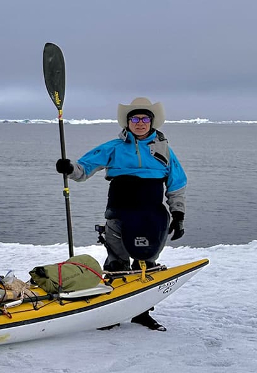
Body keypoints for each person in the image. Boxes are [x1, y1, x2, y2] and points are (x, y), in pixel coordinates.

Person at [55, 96, 187, 331]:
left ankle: (142, 313)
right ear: (127, 122)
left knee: (146, 262)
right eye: (134, 118)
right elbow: (84, 168)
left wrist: (178, 215)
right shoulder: (113, 147)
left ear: (152, 121)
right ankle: (111, 313)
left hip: (152, 214)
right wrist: (69, 168)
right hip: (119, 211)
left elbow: (176, 183)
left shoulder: (165, 150)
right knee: (117, 262)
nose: (139, 122)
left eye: (144, 118)